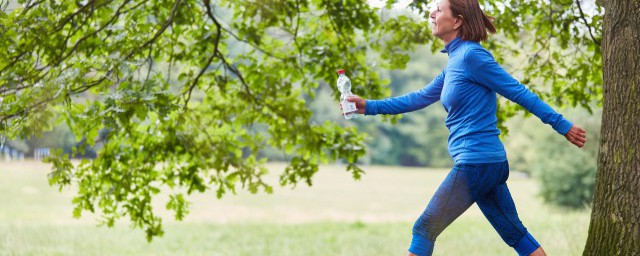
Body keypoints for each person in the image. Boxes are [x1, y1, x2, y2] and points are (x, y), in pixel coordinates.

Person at [344, 0, 587, 255]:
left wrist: (562, 125)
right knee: (516, 235)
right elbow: (419, 97)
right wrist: (368, 106)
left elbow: (518, 92)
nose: (431, 13)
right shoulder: (455, 62)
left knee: (424, 228)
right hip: (486, 163)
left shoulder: (473, 56)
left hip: (477, 162)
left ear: (457, 21)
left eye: (438, 10)